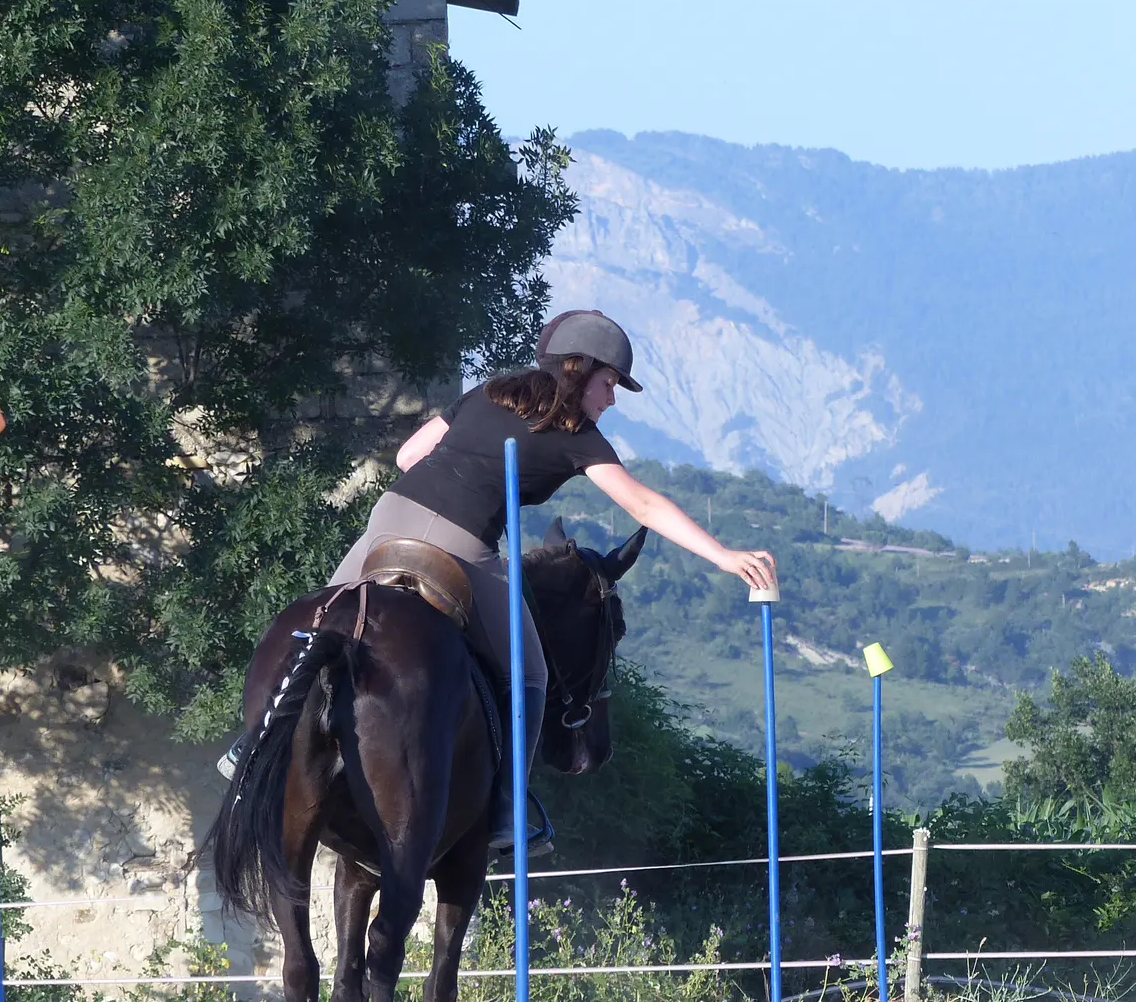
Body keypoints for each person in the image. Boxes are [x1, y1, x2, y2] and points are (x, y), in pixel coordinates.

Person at [219, 310, 777, 858]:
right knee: (531, 675)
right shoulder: (576, 434)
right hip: (464, 548)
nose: (610, 400)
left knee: (319, 627)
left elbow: (408, 454)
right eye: (608, 385)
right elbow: (645, 505)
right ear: (579, 371)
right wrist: (723, 556)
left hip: (389, 519)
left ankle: (253, 744)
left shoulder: (490, 391)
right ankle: (508, 810)